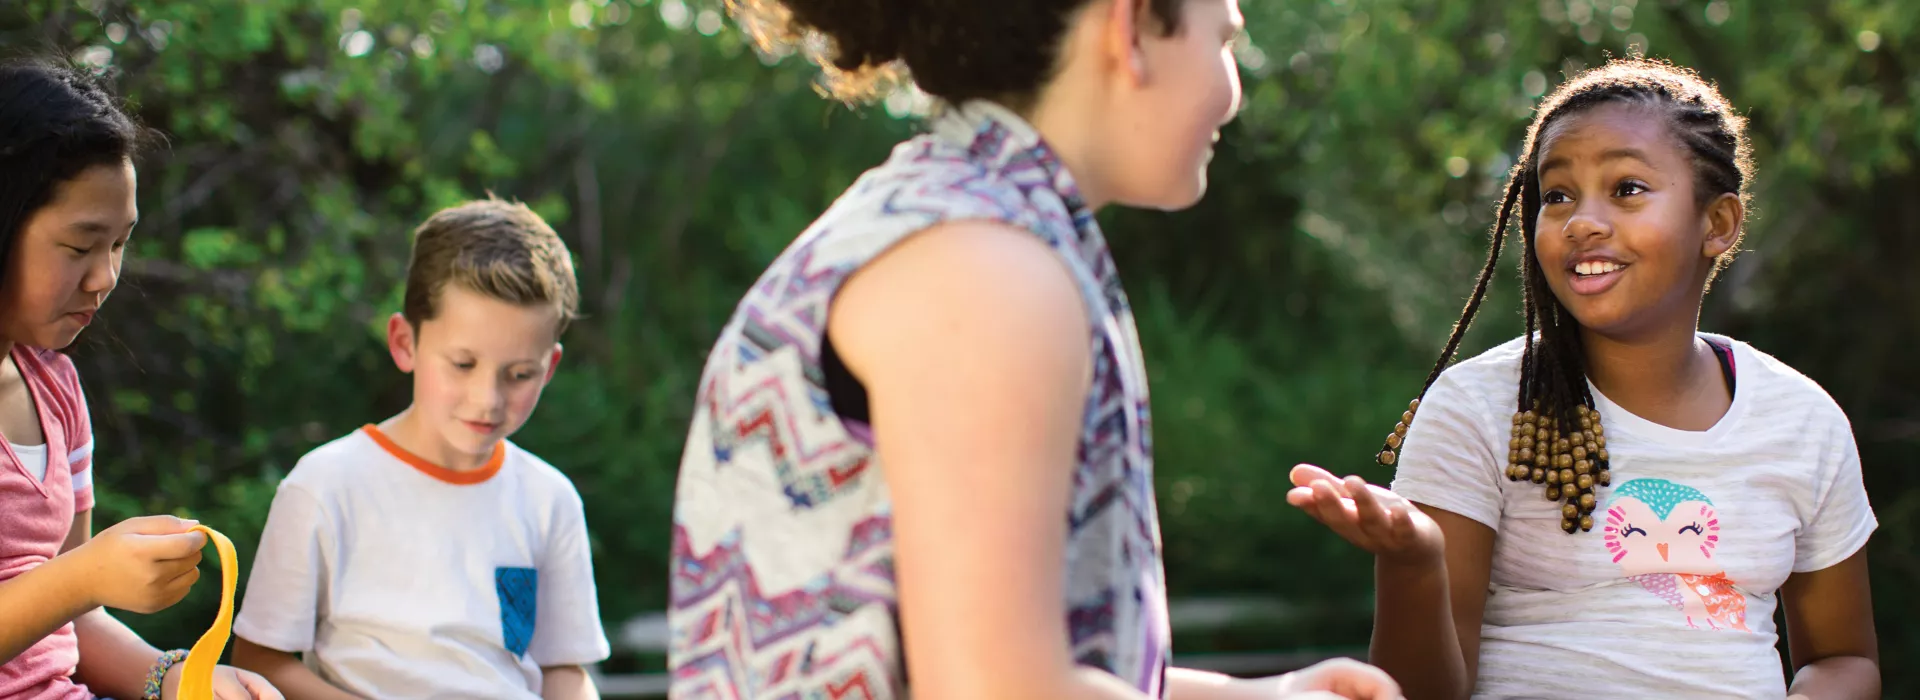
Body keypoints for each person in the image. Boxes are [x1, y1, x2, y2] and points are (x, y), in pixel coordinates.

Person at [667, 0, 1401, 698]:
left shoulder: (943, 219)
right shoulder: (988, 271)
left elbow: (997, 665)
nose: (1233, 93)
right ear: (1131, 26)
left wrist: (1258, 696)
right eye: (1225, 40)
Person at [1288, 58, 1880, 700]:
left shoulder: (1802, 421)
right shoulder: (1478, 409)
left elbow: (1844, 657)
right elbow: (1420, 692)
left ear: (1718, 225)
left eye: (1626, 188)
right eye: (1557, 196)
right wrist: (1412, 563)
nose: (1580, 222)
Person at [228, 199, 610, 699]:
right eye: (462, 364)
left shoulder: (550, 500)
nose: (488, 399)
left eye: (519, 375)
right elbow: (260, 662)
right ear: (405, 343)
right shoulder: (325, 485)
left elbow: (564, 671)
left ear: (550, 367)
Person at [0, 57, 281, 700]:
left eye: (120, 244)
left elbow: (72, 620)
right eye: (79, 247)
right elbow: (74, 588)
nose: (105, 278)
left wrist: (184, 682)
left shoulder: (56, 391)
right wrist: (85, 577)